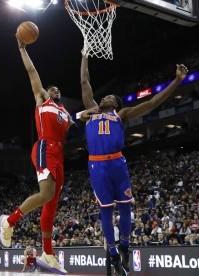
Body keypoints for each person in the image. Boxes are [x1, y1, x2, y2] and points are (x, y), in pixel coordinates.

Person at [79, 55, 188, 275]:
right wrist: (84, 57)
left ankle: (125, 247)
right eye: (105, 96)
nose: (104, 97)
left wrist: (177, 81)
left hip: (118, 164)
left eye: (109, 96)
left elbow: (152, 102)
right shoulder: (91, 111)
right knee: (105, 212)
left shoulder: (122, 114)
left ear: (116, 104)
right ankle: (112, 252)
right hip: (97, 166)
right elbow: (84, 82)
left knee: (126, 208)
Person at [0, 33, 74, 274]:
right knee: (46, 193)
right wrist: (23, 49)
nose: (55, 90)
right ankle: (9, 222)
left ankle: (48, 254)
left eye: (57, 89)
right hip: (44, 147)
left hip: (59, 155)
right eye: (51, 88)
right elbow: (32, 73)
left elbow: (84, 117)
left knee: (51, 205)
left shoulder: (65, 113)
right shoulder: (43, 100)